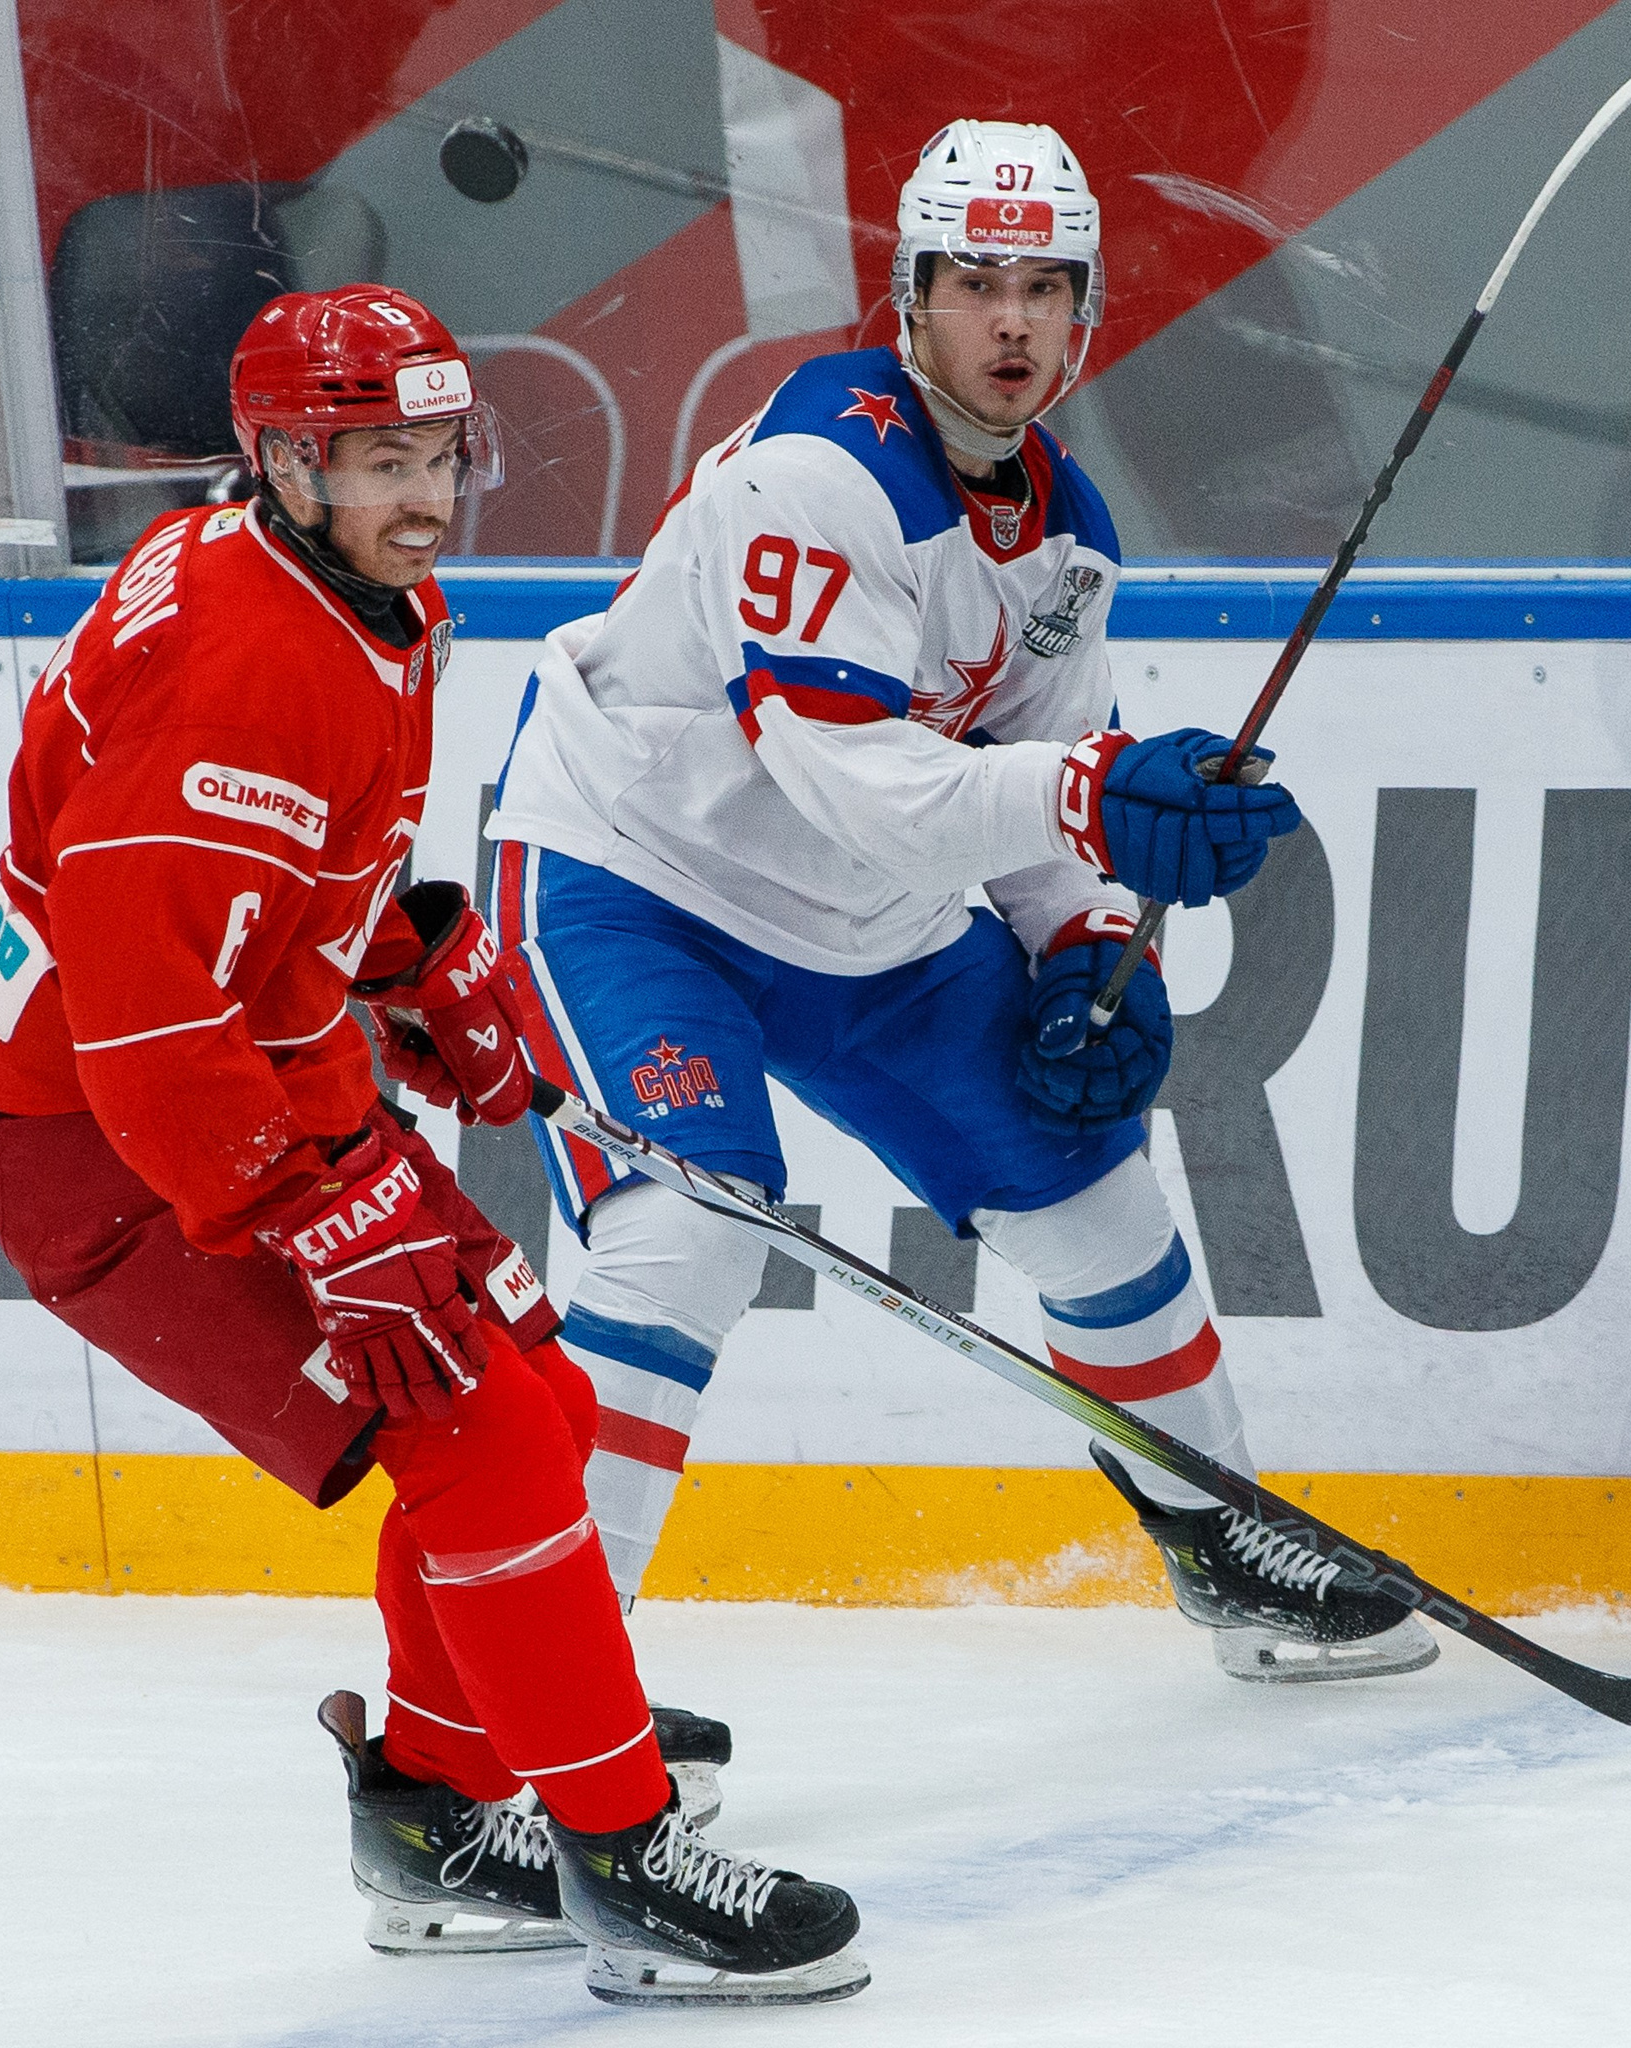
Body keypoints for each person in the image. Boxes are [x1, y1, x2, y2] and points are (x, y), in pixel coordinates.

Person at [0, 285, 867, 2009]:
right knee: (487, 1439)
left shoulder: (346, 592)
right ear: (281, 459)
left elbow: (284, 887)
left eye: (440, 452)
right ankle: (623, 1856)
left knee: (543, 1399)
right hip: (121, 1146)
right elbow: (144, 1014)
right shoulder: (242, 658)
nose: (423, 492)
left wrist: (415, 957)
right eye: (378, 458)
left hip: (245, 1089)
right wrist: (309, 1203)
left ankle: (439, 1805)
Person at [464, 121, 1439, 1689]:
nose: (1008, 321)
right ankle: (537, 1713)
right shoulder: (817, 470)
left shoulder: (1066, 536)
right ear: (907, 300)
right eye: (973, 281)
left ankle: (1222, 1532)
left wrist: (1084, 946)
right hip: (633, 879)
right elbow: (846, 775)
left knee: (1094, 1187)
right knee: (685, 1236)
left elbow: (1033, 784)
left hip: (867, 921)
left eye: (1043, 286)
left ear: (1086, 316)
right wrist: (1089, 796)